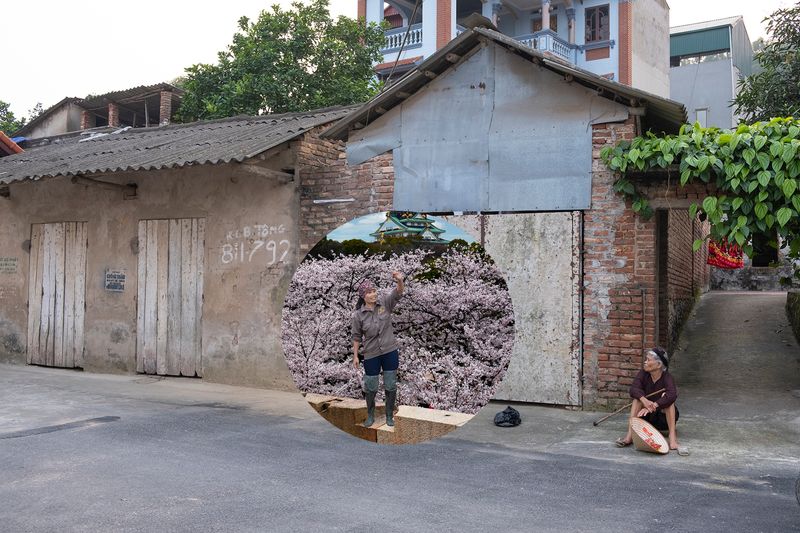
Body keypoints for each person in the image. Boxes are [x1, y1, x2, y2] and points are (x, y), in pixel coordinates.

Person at [352, 271, 404, 427]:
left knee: (390, 385)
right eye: (369, 292)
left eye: (374, 291)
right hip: (371, 354)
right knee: (371, 386)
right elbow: (356, 337)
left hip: (389, 351)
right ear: (363, 296)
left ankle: (389, 415)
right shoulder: (358, 316)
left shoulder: (385, 304)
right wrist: (355, 356)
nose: (373, 294)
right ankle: (370, 415)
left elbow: (398, 292)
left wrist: (400, 280)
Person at [615, 347, 688, 455]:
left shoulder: (667, 378)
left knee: (668, 400)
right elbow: (634, 389)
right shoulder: (643, 374)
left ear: (658, 365)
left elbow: (672, 395)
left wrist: (655, 405)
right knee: (637, 399)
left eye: (648, 360)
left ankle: (672, 440)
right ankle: (629, 436)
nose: (645, 362)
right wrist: (644, 400)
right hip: (646, 419)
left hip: (662, 420)